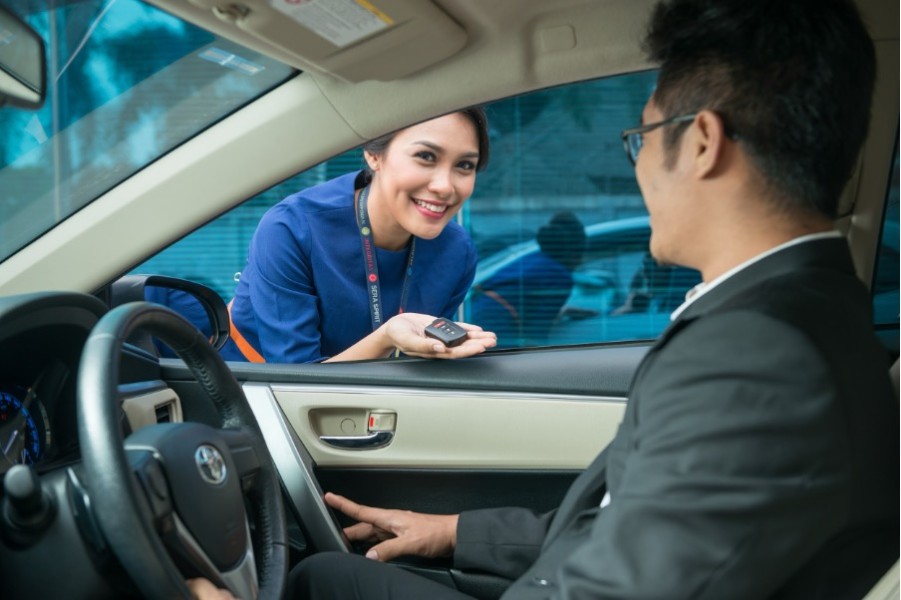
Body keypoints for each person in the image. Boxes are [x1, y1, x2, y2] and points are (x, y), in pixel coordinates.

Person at [195, 0, 898, 598]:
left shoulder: (754, 357)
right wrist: (452, 532)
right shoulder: (796, 317)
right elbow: (632, 514)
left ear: (703, 143)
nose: (640, 167)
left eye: (641, 139)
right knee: (325, 578)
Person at [219, 109, 497, 364]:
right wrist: (385, 337)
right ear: (374, 154)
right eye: (426, 157)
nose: (444, 186)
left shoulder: (457, 251)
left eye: (464, 165)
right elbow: (296, 381)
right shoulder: (292, 228)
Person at [470, 211, 588, 347]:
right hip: (498, 326)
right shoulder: (559, 275)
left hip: (480, 315)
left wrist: (565, 311)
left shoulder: (535, 260)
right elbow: (537, 330)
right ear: (574, 251)